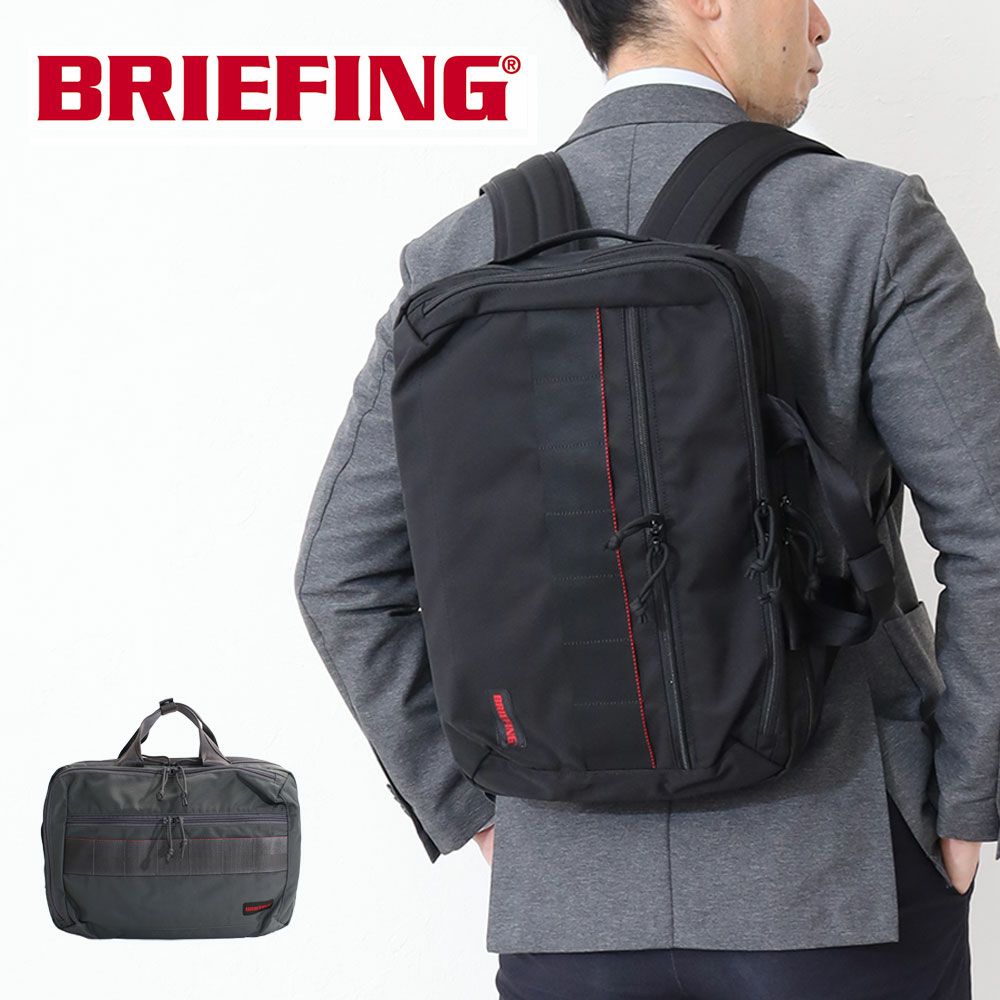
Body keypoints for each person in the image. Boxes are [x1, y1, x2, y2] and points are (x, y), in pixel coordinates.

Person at [294, 2, 999, 996]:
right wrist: (968, 801)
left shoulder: (456, 254)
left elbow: (340, 574)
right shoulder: (865, 220)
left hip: (566, 901)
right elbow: (990, 528)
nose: (820, 23)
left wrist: (474, 809)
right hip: (836, 876)